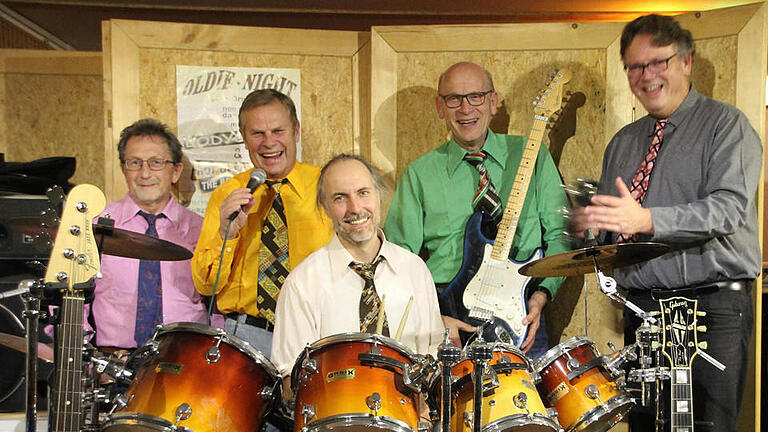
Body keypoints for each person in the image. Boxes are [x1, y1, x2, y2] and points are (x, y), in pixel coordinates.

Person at [569, 15, 760, 432]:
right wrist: (592, 227)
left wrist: (647, 219)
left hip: (711, 307)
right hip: (645, 309)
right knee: (645, 424)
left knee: (709, 426)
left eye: (659, 62)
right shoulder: (622, 142)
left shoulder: (726, 126)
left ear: (686, 61)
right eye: (635, 67)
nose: (647, 76)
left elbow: (728, 209)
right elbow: (615, 229)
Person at [384, 62, 570, 357]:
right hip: (447, 317)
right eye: (453, 99)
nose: (465, 108)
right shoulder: (419, 174)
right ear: (440, 107)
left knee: (524, 403)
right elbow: (397, 261)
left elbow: (561, 236)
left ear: (493, 102)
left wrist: (541, 295)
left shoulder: (532, 155)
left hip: (521, 309)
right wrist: (432, 317)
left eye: (476, 97)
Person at [271, 154, 444, 381]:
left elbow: (433, 354)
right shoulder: (302, 283)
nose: (355, 208)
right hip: (337, 413)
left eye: (363, 193)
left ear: (378, 195)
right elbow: (290, 378)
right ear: (325, 207)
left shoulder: (415, 269)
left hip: (408, 412)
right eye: (340, 198)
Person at [191, 89, 333, 356]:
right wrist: (227, 233)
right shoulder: (228, 194)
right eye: (257, 133)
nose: (269, 142)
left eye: (278, 131)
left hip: (316, 334)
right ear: (244, 139)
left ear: (296, 132)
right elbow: (205, 285)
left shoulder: (327, 186)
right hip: (246, 337)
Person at [85, 118, 221, 351]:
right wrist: (88, 363)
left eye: (156, 162)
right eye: (134, 162)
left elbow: (219, 309)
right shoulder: (93, 228)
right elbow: (70, 307)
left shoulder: (203, 231)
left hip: (184, 362)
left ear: (176, 171)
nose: (145, 173)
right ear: (123, 169)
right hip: (112, 364)